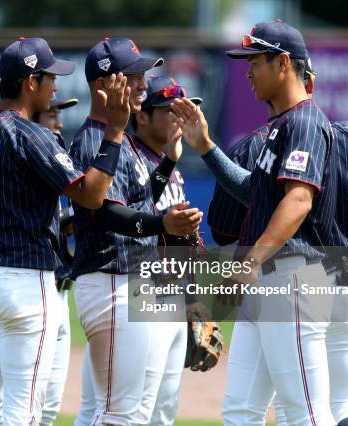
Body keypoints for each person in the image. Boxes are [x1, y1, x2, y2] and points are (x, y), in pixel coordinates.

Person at [172, 20, 339, 425]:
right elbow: (256, 192)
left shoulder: (305, 123)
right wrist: (207, 148)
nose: (248, 71)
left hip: (293, 278)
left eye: (256, 61)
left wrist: (248, 265)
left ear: (284, 63)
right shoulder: (280, 128)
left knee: (305, 413)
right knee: (240, 411)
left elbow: (298, 200)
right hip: (269, 280)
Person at [0, 36, 131, 425]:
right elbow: (90, 195)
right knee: (24, 412)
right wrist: (115, 132)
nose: (56, 86)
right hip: (22, 279)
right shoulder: (28, 133)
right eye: (50, 77)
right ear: (30, 82)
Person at [69, 37, 203, 425]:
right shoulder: (96, 139)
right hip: (113, 281)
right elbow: (108, 214)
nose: (143, 82)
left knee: (130, 413)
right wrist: (163, 223)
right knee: (120, 415)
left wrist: (168, 166)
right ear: (106, 83)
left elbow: (138, 199)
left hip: (129, 284)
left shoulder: (118, 138)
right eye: (134, 74)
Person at [130, 75, 207, 425]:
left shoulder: (172, 168)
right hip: (144, 296)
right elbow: (134, 217)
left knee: (163, 413)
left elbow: (182, 245)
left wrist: (193, 301)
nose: (178, 117)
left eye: (182, 109)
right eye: (168, 110)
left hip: (174, 296)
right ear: (142, 116)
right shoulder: (132, 158)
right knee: (137, 408)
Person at [31, 95, 79, 426]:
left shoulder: (57, 166)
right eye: (51, 116)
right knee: (27, 404)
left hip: (61, 292)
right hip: (34, 289)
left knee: (49, 408)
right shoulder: (26, 163)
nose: (59, 124)